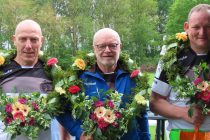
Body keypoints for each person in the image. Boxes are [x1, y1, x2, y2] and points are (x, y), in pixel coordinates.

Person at [56, 28, 150, 140]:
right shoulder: (79, 77)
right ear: (94, 48)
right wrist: (79, 132)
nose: (107, 50)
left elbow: (141, 116)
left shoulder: (133, 77)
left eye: (113, 45)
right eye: (101, 46)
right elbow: (60, 108)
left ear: (120, 47)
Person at [150, 4, 210, 140]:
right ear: (186, 27)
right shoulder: (172, 53)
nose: (202, 33)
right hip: (181, 134)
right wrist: (185, 113)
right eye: (196, 27)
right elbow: (155, 102)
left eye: (208, 27)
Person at [0, 19, 59, 140]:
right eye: (22, 39)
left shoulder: (54, 73)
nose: (28, 45)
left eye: (34, 39)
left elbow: (65, 112)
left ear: (41, 41)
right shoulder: (2, 70)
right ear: (14, 40)